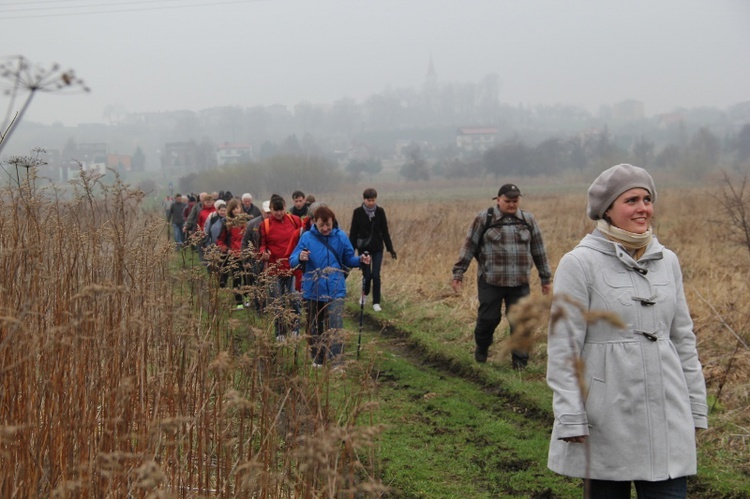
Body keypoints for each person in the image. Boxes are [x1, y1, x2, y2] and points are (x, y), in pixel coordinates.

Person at [546, 164, 708, 498]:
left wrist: (694, 406)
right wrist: (570, 415)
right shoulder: (579, 263)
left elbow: (683, 339)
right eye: (631, 200)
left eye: (647, 199)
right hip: (606, 418)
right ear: (607, 209)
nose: (643, 208)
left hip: (666, 411)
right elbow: (564, 347)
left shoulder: (668, 261)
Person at [451, 183, 552, 367]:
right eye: (507, 201)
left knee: (521, 323)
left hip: (520, 282)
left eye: (515, 201)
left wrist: (545, 278)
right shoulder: (485, 218)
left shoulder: (528, 220)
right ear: (498, 200)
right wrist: (459, 273)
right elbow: (469, 246)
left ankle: (520, 364)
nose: (512, 205)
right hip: (491, 280)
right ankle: (482, 349)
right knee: (488, 320)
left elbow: (538, 250)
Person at [290, 206, 370, 366]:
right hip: (312, 290)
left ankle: (336, 362)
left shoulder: (340, 237)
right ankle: (317, 358)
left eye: (329, 225)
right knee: (314, 327)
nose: (326, 228)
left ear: (333, 222)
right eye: (322, 226)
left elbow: (349, 259)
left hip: (335, 290)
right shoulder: (306, 238)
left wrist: (361, 260)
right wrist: (300, 257)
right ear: (314, 222)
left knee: (335, 325)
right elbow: (292, 261)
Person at [259, 194, 303, 340]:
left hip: (292, 267)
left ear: (285, 207)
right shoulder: (265, 225)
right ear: (270, 209)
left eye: (281, 209)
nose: (278, 213)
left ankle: (295, 328)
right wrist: (263, 253)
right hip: (274, 268)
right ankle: (280, 332)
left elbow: (303, 239)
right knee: (277, 302)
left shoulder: (295, 220)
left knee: (294, 299)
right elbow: (262, 245)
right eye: (275, 210)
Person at [348, 188, 396, 312]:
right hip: (364, 249)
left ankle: (376, 302)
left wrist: (390, 249)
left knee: (376, 275)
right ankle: (364, 295)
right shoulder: (357, 212)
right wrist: (350, 251)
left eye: (373, 200)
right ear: (364, 200)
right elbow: (353, 233)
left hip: (377, 248)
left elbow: (385, 231)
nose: (371, 203)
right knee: (367, 275)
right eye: (369, 200)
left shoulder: (380, 212)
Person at [217, 199, 249, 309]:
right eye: (234, 208)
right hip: (233, 255)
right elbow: (220, 240)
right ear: (231, 210)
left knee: (247, 278)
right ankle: (239, 302)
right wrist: (226, 249)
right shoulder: (226, 223)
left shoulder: (245, 222)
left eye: (238, 208)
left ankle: (247, 298)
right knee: (236, 278)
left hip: (245, 254)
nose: (236, 210)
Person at [242, 200, 272, 313]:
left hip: (272, 258)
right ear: (262, 211)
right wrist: (245, 258)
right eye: (267, 212)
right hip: (256, 258)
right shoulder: (253, 224)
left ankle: (272, 304)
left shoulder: (276, 224)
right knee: (257, 282)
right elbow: (245, 242)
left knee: (271, 284)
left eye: (270, 212)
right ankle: (260, 306)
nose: (269, 215)